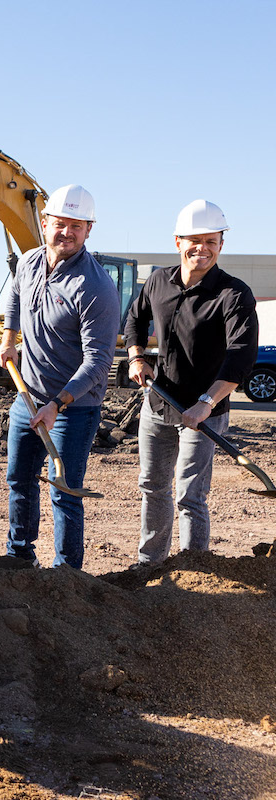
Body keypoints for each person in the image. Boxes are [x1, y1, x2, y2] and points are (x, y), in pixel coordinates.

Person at [124, 200, 258, 562]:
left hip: (204, 412)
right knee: (152, 487)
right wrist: (137, 356)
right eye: (194, 240)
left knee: (189, 494)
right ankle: (149, 565)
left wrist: (207, 402)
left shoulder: (233, 293)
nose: (203, 248)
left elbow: (241, 355)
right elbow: (134, 322)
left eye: (211, 241)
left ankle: (193, 567)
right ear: (178, 242)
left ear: (221, 244)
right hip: (158, 402)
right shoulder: (157, 281)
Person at [0, 184, 118, 569]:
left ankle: (67, 573)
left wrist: (56, 404)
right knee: (20, 480)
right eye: (60, 224)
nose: (66, 232)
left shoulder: (95, 286)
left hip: (73, 408)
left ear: (88, 230)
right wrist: (9, 338)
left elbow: (99, 361)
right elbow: (15, 293)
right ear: (44, 222)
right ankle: (20, 556)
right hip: (26, 396)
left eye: (76, 226)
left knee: (64, 490)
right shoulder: (30, 261)